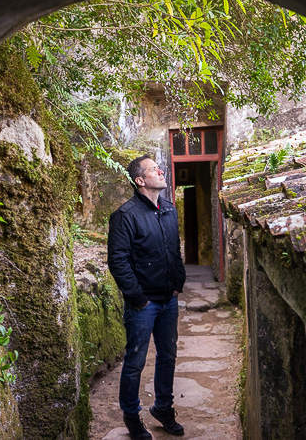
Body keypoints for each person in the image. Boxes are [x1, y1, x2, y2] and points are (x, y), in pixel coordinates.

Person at [107, 154, 186, 439]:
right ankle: (131, 415)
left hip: (168, 299)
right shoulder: (125, 215)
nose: (161, 171)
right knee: (135, 362)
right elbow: (118, 261)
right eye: (154, 169)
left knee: (168, 355)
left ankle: (163, 408)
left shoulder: (169, 208)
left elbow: (173, 249)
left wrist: (178, 282)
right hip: (144, 304)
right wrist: (138, 298)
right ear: (140, 180)